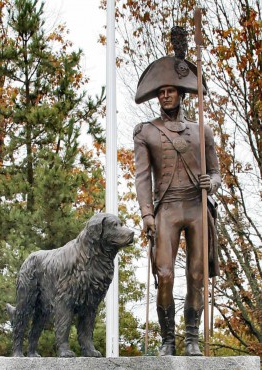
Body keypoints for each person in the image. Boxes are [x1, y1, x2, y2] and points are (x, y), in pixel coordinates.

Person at [133, 51, 221, 356]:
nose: (165, 96)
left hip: (197, 206)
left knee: (197, 274)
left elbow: (216, 173)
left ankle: (193, 338)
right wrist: (147, 214)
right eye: (161, 92)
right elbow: (142, 177)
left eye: (170, 91)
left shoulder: (202, 131)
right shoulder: (147, 132)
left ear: (182, 94)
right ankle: (168, 339)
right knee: (166, 274)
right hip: (167, 208)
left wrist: (213, 183)